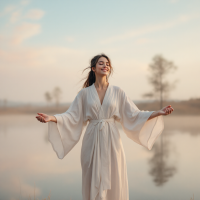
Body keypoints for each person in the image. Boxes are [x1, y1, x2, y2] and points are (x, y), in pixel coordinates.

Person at [36, 53, 174, 200]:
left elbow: (134, 114)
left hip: (112, 141)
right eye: (101, 63)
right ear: (93, 68)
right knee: (91, 178)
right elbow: (71, 116)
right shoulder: (84, 94)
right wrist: (52, 118)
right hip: (91, 140)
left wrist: (158, 112)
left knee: (114, 177)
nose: (105, 65)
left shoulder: (118, 92)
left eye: (107, 63)